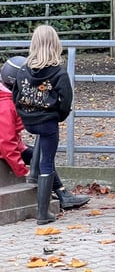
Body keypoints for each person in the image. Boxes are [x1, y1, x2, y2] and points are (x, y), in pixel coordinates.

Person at [12, 25, 90, 224]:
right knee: (47, 162)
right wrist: (57, 116)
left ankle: (54, 193)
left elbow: (16, 95)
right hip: (48, 123)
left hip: (29, 120)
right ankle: (43, 213)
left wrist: (26, 114)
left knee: (41, 146)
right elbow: (66, 101)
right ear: (55, 44)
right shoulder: (59, 73)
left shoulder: (22, 71)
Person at [0, 56, 89, 212]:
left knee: (40, 156)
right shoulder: (6, 105)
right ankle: (59, 196)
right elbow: (6, 142)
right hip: (6, 148)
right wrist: (23, 171)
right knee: (42, 158)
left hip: (14, 145)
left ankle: (62, 192)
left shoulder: (7, 98)